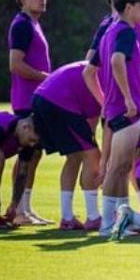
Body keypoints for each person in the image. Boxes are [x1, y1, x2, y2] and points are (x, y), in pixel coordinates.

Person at [97, 0, 140, 237]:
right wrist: (130, 99)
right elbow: (116, 61)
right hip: (125, 108)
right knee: (117, 167)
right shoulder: (126, 31)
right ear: (129, 6)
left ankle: (120, 219)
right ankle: (107, 225)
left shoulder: (110, 29)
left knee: (120, 168)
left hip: (115, 106)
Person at [32, 61, 104, 230]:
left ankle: (67, 218)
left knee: (75, 156)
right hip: (59, 100)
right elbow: (92, 127)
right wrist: (93, 163)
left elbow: (89, 128)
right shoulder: (113, 77)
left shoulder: (105, 69)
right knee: (93, 155)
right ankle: (93, 217)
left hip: (42, 98)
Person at [7, 0, 51, 225]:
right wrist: (45, 77)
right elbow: (15, 64)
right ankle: (18, 211)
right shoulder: (22, 25)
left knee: (35, 155)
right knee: (26, 155)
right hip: (26, 101)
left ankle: (26, 207)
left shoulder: (33, 23)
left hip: (36, 100)